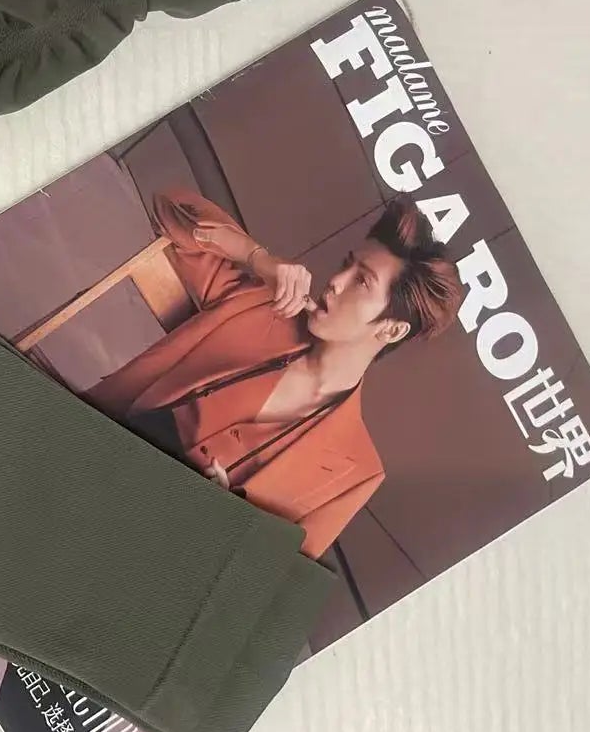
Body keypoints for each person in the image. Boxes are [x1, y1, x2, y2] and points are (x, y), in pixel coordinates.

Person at [85, 189, 463, 557]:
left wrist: (221, 523)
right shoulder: (262, 304)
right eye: (346, 264)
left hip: (150, 554)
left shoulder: (357, 473)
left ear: (392, 329)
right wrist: (259, 259)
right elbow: (169, 208)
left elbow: (268, 578)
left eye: (361, 281)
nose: (336, 281)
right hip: (92, 449)